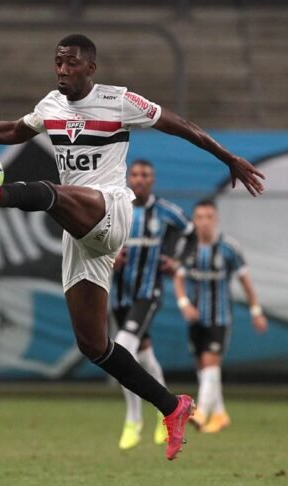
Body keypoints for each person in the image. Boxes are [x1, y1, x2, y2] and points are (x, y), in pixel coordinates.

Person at [0, 33, 264, 460]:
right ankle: (172, 407)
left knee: (49, 191)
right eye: (58, 62)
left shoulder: (119, 101)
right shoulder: (51, 105)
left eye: (70, 63)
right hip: (80, 232)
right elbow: (12, 130)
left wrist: (228, 157)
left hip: (111, 209)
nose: (62, 70)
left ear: (90, 68)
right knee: (93, 345)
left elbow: (182, 127)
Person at [111, 159, 192, 450]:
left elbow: (190, 232)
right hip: (120, 296)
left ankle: (133, 419)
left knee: (121, 351)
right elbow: (99, 240)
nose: (139, 179)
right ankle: (165, 412)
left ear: (152, 180)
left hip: (148, 294)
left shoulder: (165, 211)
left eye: (145, 175)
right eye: (135, 174)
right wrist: (111, 258)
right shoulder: (118, 208)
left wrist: (177, 259)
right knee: (145, 357)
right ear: (128, 177)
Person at [173, 200, 266, 433]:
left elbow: (246, 282)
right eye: (200, 217)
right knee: (202, 367)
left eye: (208, 217)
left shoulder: (229, 248)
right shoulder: (188, 247)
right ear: (194, 221)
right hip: (196, 317)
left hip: (220, 317)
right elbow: (178, 278)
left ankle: (201, 412)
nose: (204, 222)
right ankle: (220, 413)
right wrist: (184, 303)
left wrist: (256, 311)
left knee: (210, 362)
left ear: (216, 220)